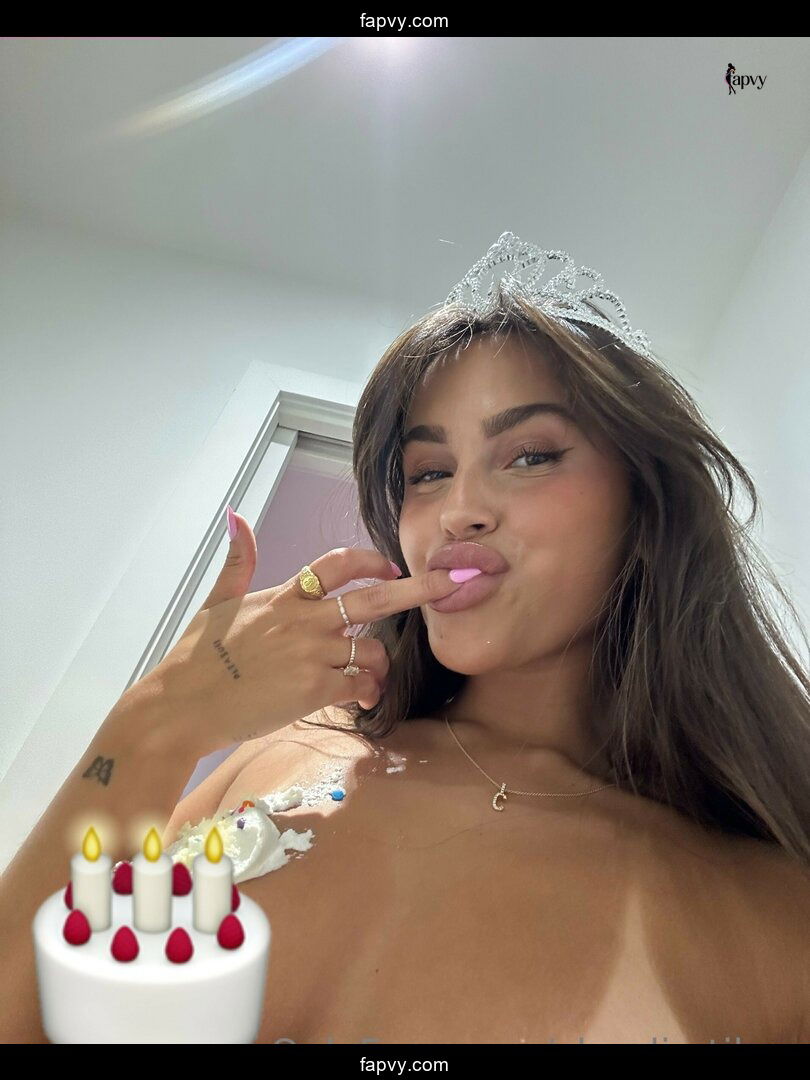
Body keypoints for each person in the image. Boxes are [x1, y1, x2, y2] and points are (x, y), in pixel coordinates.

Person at [2, 241, 809, 1044]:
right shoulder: (280, 757)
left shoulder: (771, 920)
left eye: (530, 456)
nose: (458, 510)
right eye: (428, 472)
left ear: (647, 504)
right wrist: (160, 716)